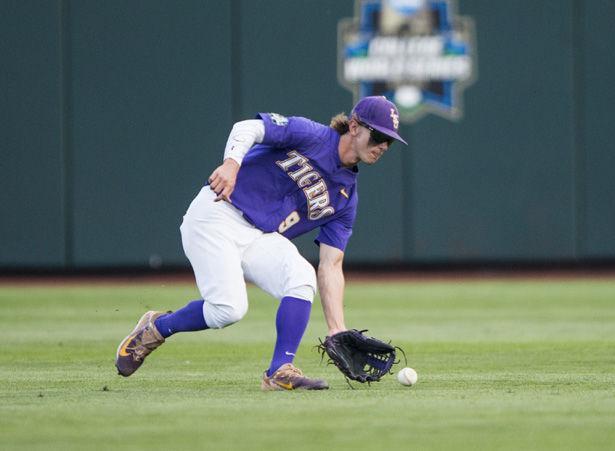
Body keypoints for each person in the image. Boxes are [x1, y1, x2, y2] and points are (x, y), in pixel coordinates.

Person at [115, 96, 408, 390]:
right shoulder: (311, 135)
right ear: (354, 127)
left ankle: (280, 369)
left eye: (390, 141)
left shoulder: (347, 199)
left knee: (302, 277)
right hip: (217, 213)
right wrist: (231, 164)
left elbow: (331, 264)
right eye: (379, 136)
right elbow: (248, 128)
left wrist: (337, 328)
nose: (383, 146)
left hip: (260, 237)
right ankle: (156, 328)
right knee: (228, 309)